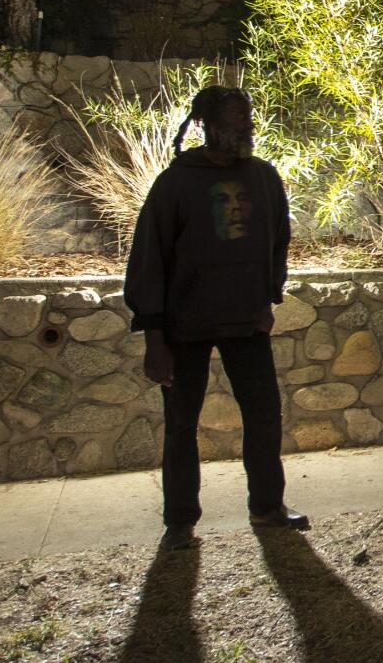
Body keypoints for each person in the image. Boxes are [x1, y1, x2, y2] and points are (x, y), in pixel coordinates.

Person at [124, 85, 309, 549]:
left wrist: (268, 299)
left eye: (249, 121)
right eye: (235, 123)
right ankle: (180, 521)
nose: (246, 129)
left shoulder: (264, 179)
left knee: (264, 415)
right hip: (185, 326)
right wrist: (154, 335)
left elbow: (277, 240)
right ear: (207, 126)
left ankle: (267, 507)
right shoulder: (176, 184)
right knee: (182, 424)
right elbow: (150, 259)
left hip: (246, 321)